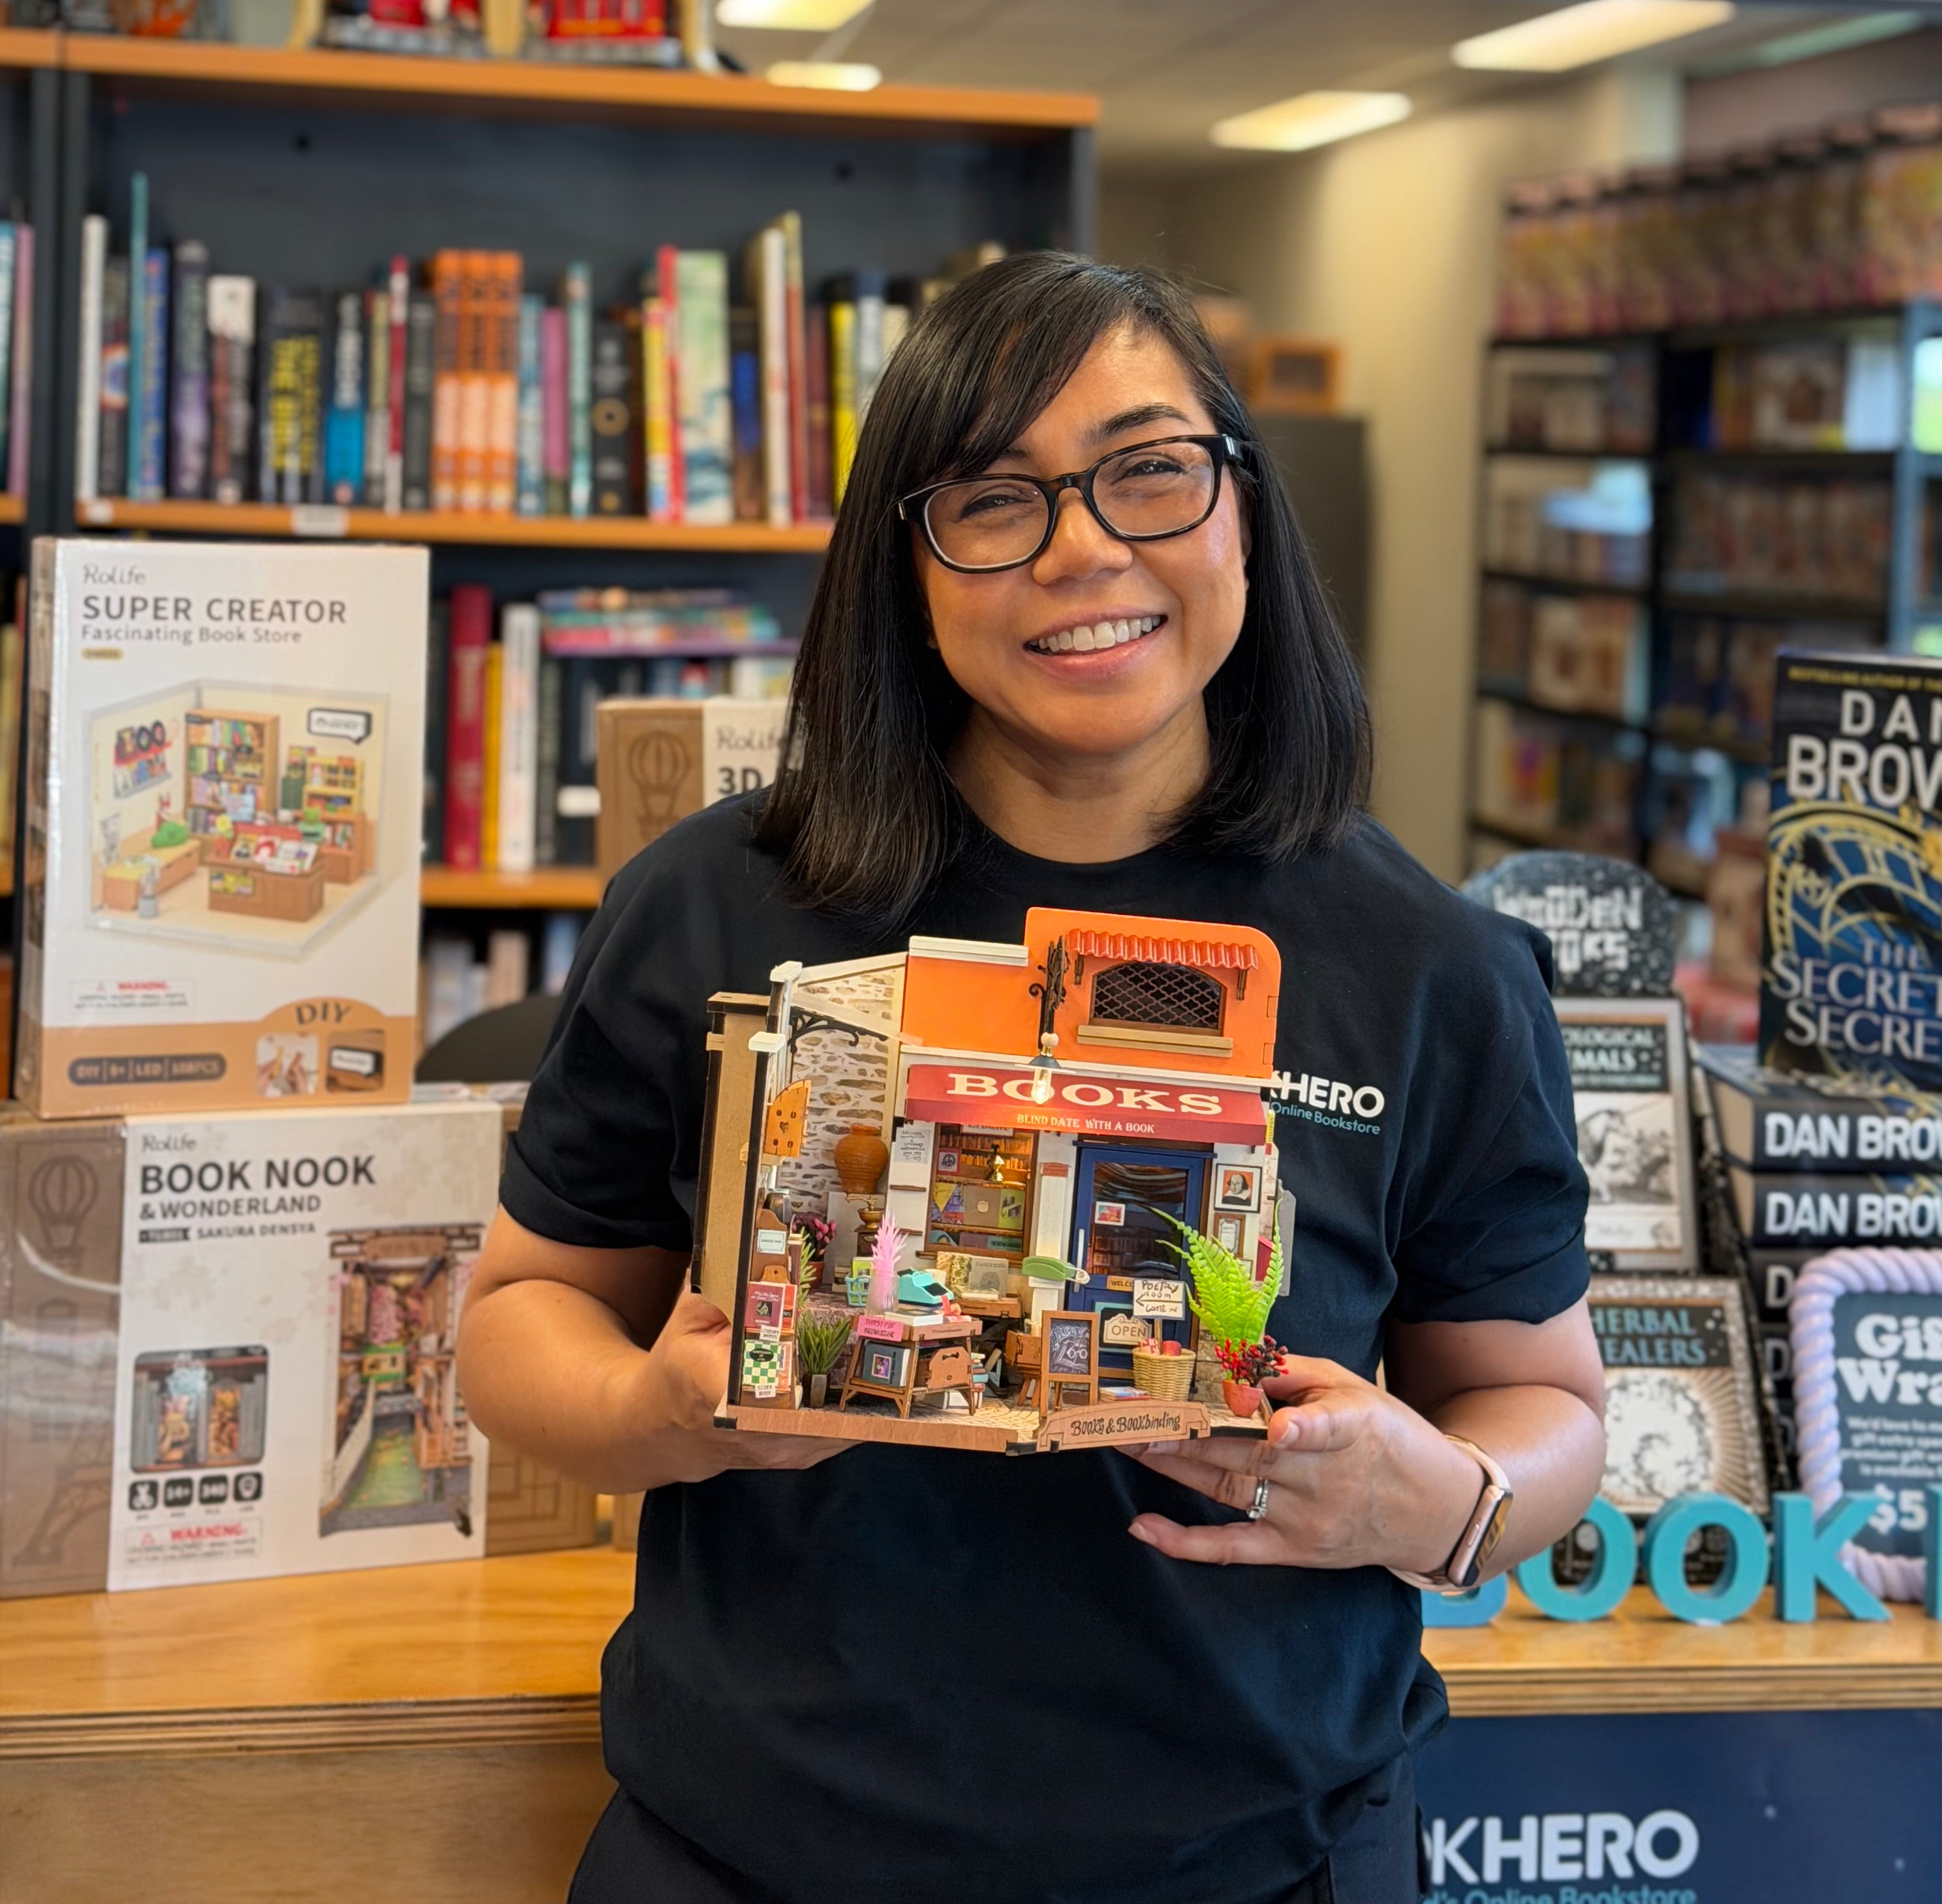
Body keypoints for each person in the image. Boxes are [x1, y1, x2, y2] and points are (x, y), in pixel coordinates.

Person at [459, 253, 1605, 1904]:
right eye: (994, 499)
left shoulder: (1430, 967)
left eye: (1149, 469)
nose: (1086, 550)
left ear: (1242, 509)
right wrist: (661, 1414)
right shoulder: (719, 900)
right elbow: (517, 1318)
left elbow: (1550, 1406)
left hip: (1259, 1861)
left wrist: (1438, 1499)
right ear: (905, 561)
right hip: (750, 1854)